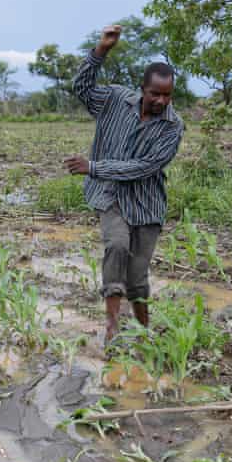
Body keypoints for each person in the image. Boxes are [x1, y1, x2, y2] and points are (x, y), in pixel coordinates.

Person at [64, 24, 184, 346]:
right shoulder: (115, 99)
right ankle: (112, 329)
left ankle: (145, 331)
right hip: (111, 196)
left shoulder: (173, 126)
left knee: (137, 279)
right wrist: (101, 50)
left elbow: (145, 167)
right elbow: (83, 88)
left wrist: (93, 167)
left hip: (146, 204)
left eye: (167, 95)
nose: (161, 101)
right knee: (116, 245)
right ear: (141, 89)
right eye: (155, 93)